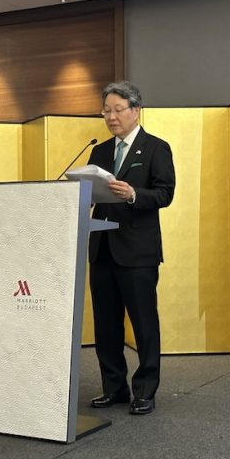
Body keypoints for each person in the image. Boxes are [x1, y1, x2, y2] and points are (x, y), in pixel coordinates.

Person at [88, 80, 175, 415]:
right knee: (106, 325)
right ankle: (114, 388)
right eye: (106, 111)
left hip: (137, 251)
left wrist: (134, 195)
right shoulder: (98, 151)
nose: (111, 117)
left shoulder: (156, 148)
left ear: (136, 110)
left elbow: (165, 193)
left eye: (118, 110)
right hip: (102, 248)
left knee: (143, 323)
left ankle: (145, 390)